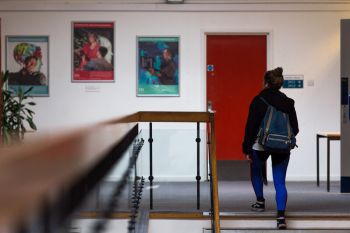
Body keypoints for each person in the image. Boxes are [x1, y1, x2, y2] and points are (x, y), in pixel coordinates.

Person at [242, 67, 299, 230]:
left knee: (255, 170)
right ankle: (281, 217)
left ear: (265, 82)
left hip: (261, 144)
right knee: (280, 181)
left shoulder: (259, 100)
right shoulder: (288, 102)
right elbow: (295, 128)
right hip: (282, 146)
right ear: (280, 84)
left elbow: (251, 126)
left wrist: (247, 148)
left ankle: (260, 201)